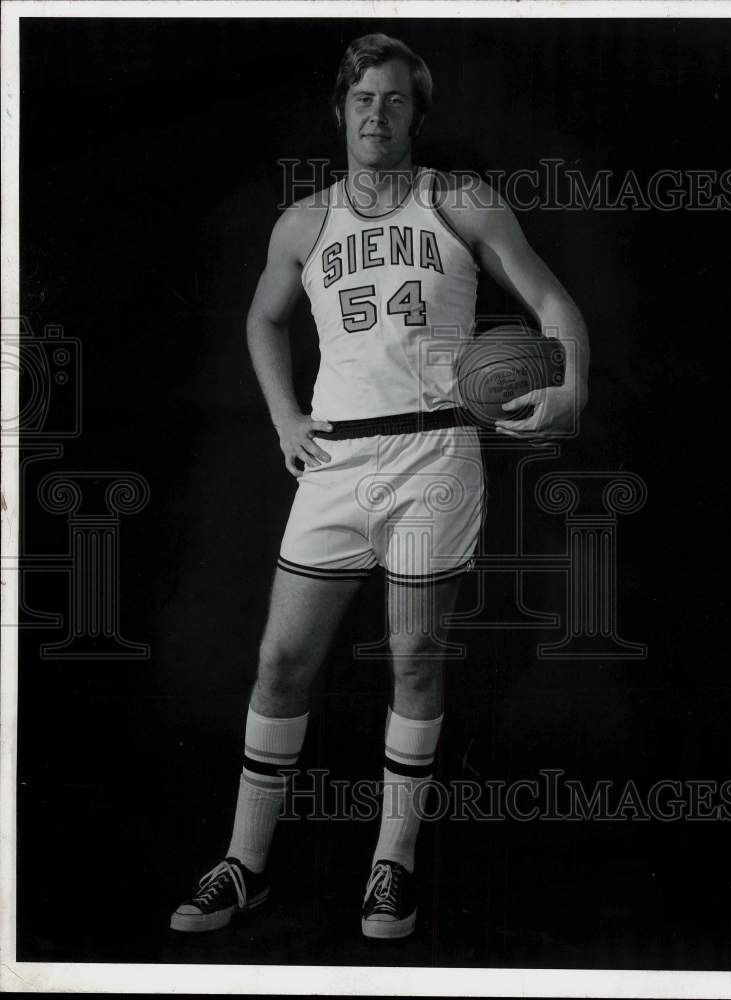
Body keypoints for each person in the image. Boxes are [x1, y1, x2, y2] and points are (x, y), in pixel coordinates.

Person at [170, 32, 589, 940]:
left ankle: (388, 866)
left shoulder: (459, 201)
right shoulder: (301, 223)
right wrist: (284, 417)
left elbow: (552, 304)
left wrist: (571, 381)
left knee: (414, 660)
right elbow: (261, 318)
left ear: (416, 114)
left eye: (395, 100)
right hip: (334, 465)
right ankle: (245, 866)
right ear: (338, 110)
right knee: (280, 663)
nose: (376, 113)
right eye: (362, 99)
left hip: (435, 456)